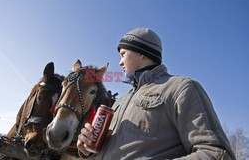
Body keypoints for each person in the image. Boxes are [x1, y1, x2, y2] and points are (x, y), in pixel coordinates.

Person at [77, 27, 235, 159]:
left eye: (123, 54)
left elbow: (217, 154)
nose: (119, 62)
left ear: (141, 52)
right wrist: (88, 152)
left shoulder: (180, 88)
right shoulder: (120, 102)